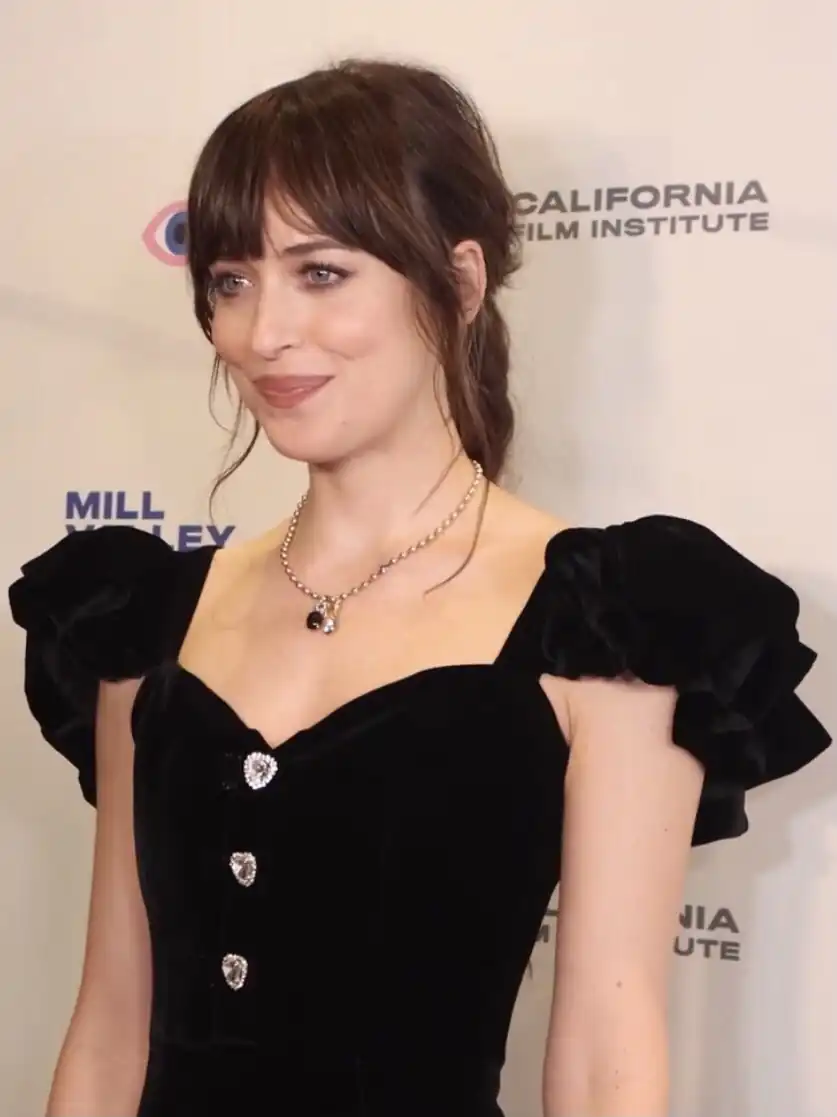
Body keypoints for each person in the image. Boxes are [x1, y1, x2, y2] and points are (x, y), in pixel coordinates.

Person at [8, 57, 830, 1117]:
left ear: (460, 281)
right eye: (231, 280)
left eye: (321, 272)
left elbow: (604, 1061)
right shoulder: (139, 616)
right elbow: (111, 1028)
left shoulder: (610, 622)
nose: (263, 333)